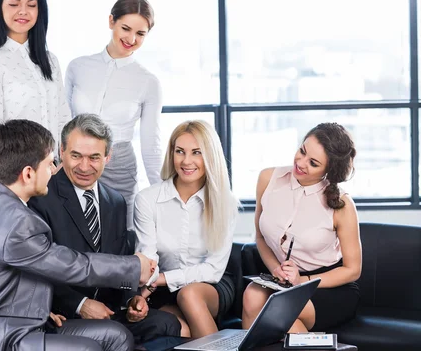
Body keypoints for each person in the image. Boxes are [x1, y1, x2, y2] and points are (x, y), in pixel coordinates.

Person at [0, 119, 156, 351]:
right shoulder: (16, 223)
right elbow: (75, 266)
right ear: (27, 173)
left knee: (117, 337)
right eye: (49, 164)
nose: (54, 170)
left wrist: (40, 309)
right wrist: (135, 267)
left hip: (12, 315)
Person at [29, 114, 181, 343]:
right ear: (61, 151)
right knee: (114, 335)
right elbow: (39, 268)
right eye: (76, 155)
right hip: (63, 313)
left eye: (94, 157)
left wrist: (132, 299)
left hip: (108, 310)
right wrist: (81, 305)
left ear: (108, 157)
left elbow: (119, 259)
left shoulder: (116, 202)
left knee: (168, 324)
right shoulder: (42, 195)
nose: (84, 166)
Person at [241, 122, 361, 333]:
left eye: (313, 163)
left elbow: (352, 270)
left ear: (329, 171)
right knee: (252, 295)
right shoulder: (268, 179)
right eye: (302, 151)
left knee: (283, 311)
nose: (301, 162)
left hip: (326, 285)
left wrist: (302, 281)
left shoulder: (343, 205)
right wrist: (275, 269)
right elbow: (260, 238)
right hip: (281, 278)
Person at [134, 120, 239, 339]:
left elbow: (212, 270)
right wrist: (148, 288)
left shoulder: (225, 203)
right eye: (180, 151)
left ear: (210, 156)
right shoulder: (147, 199)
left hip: (211, 286)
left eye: (196, 152)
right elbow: (148, 260)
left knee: (190, 295)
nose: (187, 161)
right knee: (183, 329)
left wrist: (161, 278)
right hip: (162, 291)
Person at [65, 0, 162, 229]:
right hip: (74, 166)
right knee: (76, 238)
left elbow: (151, 143)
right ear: (111, 22)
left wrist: (164, 194)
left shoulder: (148, 81)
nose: (131, 38)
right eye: (125, 28)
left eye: (140, 34)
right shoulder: (78, 67)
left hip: (119, 168)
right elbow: (62, 121)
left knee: (120, 239)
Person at [0, 0, 70, 178]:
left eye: (31, 5)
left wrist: (60, 162)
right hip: (17, 176)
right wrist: (34, 167)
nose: (23, 11)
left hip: (54, 173)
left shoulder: (50, 60)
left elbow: (63, 118)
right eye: (13, 4)